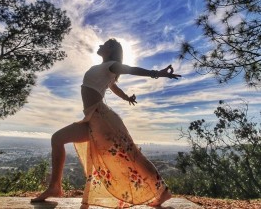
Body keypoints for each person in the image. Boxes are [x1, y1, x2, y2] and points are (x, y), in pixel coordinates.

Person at [32, 38, 181, 208]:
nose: (99, 45)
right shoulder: (104, 69)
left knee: (131, 156)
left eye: (103, 44)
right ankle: (55, 187)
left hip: (103, 119)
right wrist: (127, 98)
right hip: (93, 118)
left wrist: (156, 73)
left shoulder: (112, 65)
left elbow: (131, 69)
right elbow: (114, 87)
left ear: (110, 49)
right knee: (57, 139)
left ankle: (161, 192)